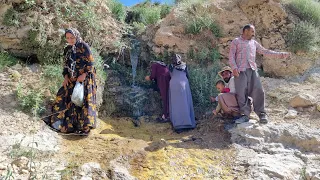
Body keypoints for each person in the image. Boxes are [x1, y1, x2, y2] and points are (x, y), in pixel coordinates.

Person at [229, 24, 291, 124]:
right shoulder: (236, 41)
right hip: (240, 71)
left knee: (259, 90)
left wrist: (280, 55)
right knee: (241, 93)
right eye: (252, 31)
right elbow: (231, 56)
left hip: (253, 70)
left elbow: (264, 51)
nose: (254, 34)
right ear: (245, 31)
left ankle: (262, 114)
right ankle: (245, 115)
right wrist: (234, 68)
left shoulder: (254, 43)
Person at [43, 28, 97, 134]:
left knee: (82, 101)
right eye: (67, 38)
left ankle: (83, 128)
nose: (70, 40)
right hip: (72, 78)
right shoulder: (67, 49)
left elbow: (91, 64)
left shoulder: (83, 46)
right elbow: (65, 66)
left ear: (76, 36)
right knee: (64, 96)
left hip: (85, 79)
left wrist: (84, 75)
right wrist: (66, 77)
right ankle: (65, 126)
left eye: (72, 37)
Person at [168, 54, 196, 133]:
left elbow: (170, 75)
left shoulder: (170, 66)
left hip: (173, 85)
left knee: (176, 105)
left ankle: (178, 125)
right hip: (183, 84)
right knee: (185, 103)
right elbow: (188, 75)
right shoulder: (184, 65)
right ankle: (188, 124)